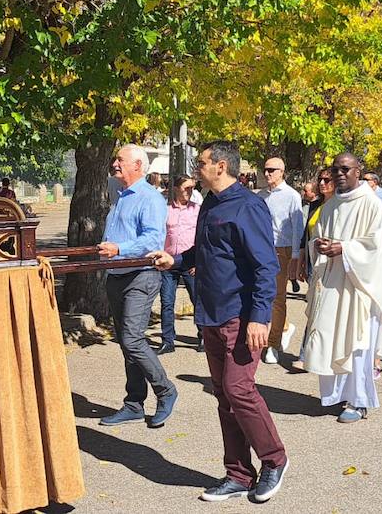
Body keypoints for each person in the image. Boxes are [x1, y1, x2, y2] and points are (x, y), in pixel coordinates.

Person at [149, 141, 288, 504]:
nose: (197, 168)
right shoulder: (210, 203)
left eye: (202, 162)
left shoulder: (248, 206)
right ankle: (239, 474)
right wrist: (176, 261)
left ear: (221, 166)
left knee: (239, 389)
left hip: (239, 317)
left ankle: (274, 459)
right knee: (224, 395)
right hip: (210, 313)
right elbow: (206, 251)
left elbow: (266, 267)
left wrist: (260, 318)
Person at [301, 152, 382, 423]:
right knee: (330, 337)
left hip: (360, 288)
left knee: (357, 345)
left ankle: (358, 402)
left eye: (346, 169)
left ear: (358, 171)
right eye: (336, 169)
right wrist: (320, 246)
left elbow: (379, 248)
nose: (340, 174)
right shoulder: (331, 204)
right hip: (334, 282)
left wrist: (344, 248)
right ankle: (336, 396)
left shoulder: (371, 204)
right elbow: (318, 236)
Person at [96, 144, 177, 428]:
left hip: (141, 276)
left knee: (132, 339)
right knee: (125, 342)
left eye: (121, 160)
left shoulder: (150, 198)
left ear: (138, 166)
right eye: (115, 158)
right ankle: (134, 403)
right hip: (117, 277)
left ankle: (166, 390)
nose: (115, 163)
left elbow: (152, 241)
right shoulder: (120, 195)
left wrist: (119, 249)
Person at [257, 157, 304, 365]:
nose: (267, 173)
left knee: (277, 297)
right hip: (262, 249)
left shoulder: (292, 196)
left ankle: (273, 344)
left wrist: (295, 257)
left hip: (281, 249)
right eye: (265, 170)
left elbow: (297, 228)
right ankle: (282, 327)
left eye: (271, 170)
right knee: (260, 294)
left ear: (281, 172)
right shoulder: (260, 196)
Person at [159, 174, 200, 354]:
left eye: (192, 188)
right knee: (167, 302)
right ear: (176, 189)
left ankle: (204, 337)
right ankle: (168, 340)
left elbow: (202, 238)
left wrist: (199, 262)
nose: (189, 192)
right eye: (186, 188)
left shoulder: (197, 210)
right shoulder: (166, 210)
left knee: (198, 301)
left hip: (190, 262)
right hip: (169, 262)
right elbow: (160, 234)